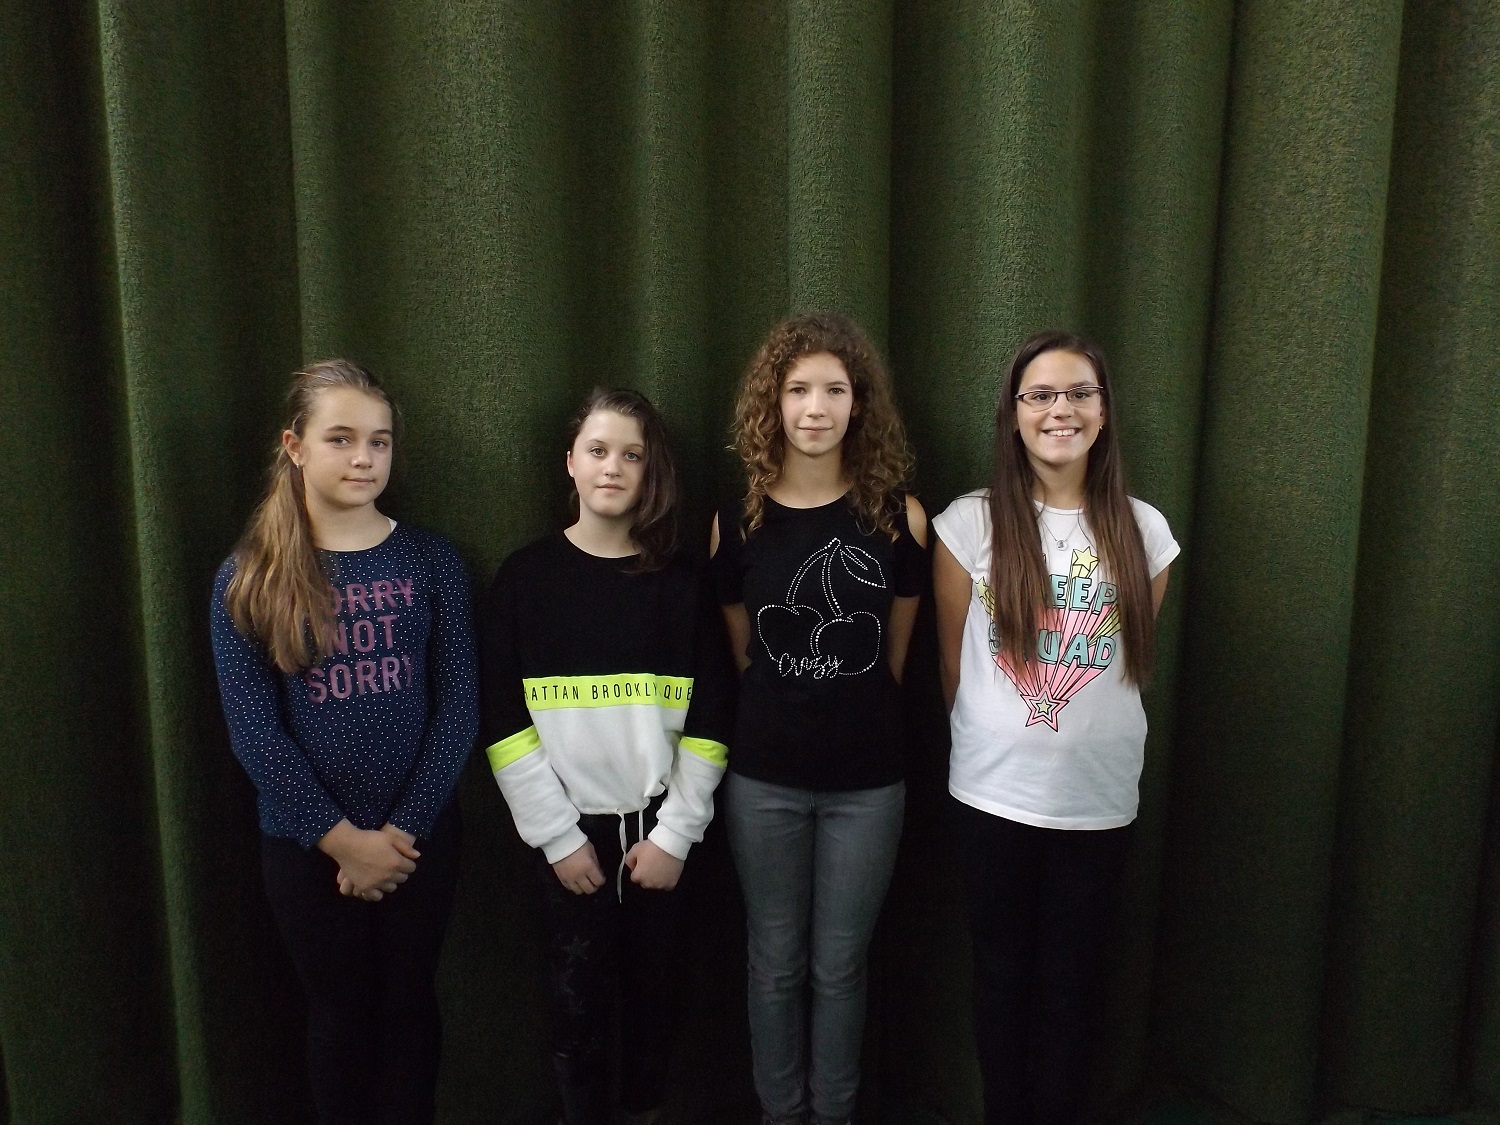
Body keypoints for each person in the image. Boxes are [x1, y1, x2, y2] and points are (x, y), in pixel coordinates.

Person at [209, 359, 478, 1125]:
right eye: (342, 438)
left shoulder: (432, 560)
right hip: (305, 849)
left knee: (410, 1007)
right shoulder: (249, 576)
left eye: (379, 441)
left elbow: (459, 706)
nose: (364, 457)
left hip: (419, 842)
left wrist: (401, 832)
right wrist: (341, 841)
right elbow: (254, 733)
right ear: (294, 446)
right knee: (339, 1015)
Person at [931, 331, 1179, 1125]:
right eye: (1039, 395)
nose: (1060, 409)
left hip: (1097, 801)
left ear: (1104, 413)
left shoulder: (1144, 531)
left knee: (1074, 984)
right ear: (1014, 415)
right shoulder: (968, 524)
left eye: (1079, 393)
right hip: (991, 796)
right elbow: (952, 664)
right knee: (1001, 976)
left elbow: (1123, 663)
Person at [481, 388, 733, 1125]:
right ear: (570, 461)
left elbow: (711, 723)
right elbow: (504, 724)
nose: (613, 467)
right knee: (576, 1015)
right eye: (598, 450)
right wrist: (558, 837)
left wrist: (675, 835)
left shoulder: (683, 583)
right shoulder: (524, 579)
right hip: (567, 846)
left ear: (653, 470)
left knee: (657, 1008)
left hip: (661, 842)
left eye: (632, 454)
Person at [710, 312, 928, 1125]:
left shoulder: (900, 517)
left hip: (868, 785)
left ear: (859, 403)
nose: (815, 407)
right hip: (763, 781)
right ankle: (780, 1112)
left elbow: (896, 657)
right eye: (798, 388)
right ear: (772, 403)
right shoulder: (735, 522)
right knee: (774, 964)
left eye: (834, 389)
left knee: (840, 967)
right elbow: (744, 656)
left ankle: (833, 1113)